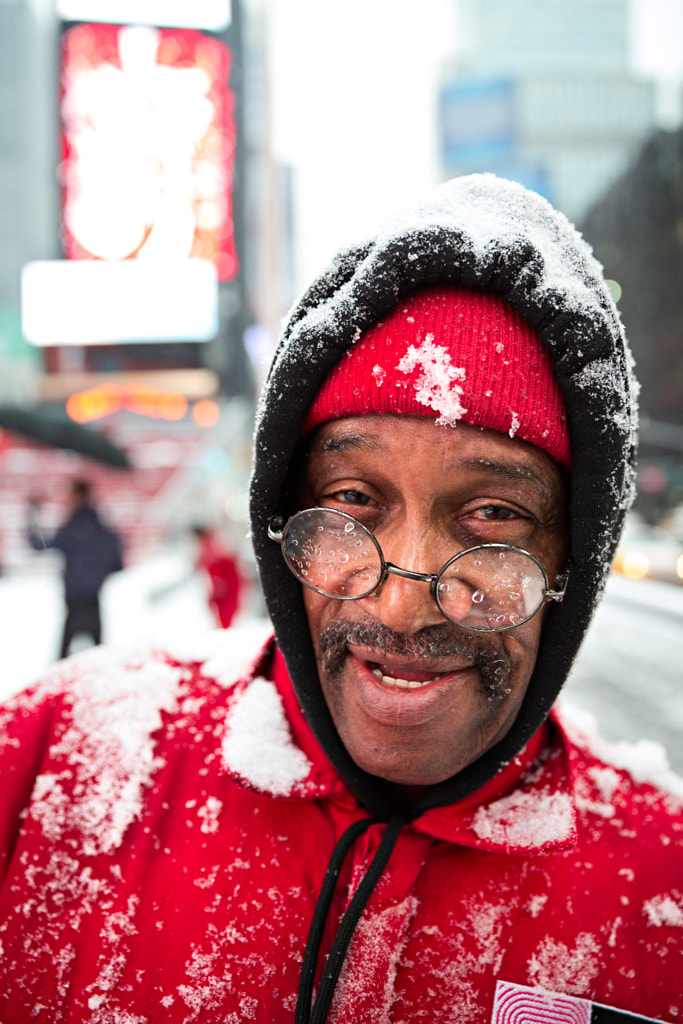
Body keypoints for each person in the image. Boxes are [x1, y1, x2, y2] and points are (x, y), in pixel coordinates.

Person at [1, 175, 681, 1024]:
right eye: (353, 500)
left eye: (492, 516)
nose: (401, 610)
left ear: (569, 561)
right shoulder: (47, 765)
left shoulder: (663, 883)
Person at [27, 478, 123, 658]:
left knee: (62, 664)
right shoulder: (101, 527)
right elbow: (118, 563)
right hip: (94, 600)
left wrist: (33, 514)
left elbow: (38, 545)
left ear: (78, 496)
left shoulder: (72, 528)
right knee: (99, 661)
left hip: (75, 602)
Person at [192, 524, 243, 627]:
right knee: (222, 618)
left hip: (227, 586)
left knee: (226, 617)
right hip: (220, 589)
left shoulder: (214, 544)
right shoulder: (206, 546)